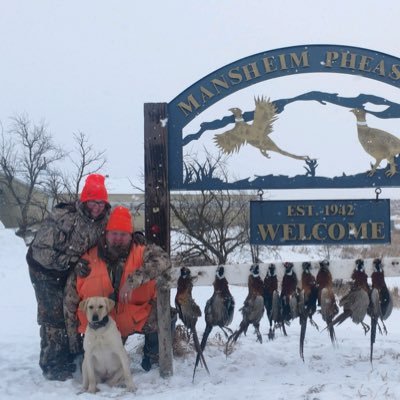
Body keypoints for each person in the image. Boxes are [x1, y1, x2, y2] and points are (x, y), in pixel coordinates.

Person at [64, 205, 175, 372]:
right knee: (101, 368)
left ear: (131, 236)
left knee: (168, 314)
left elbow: (164, 261)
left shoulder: (142, 251)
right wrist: (74, 347)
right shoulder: (86, 259)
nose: (118, 238)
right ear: (106, 234)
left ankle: (153, 356)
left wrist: (132, 281)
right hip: (98, 326)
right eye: (114, 233)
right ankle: (85, 355)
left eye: (123, 235)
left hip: (134, 317)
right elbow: (69, 303)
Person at [27, 174, 110, 381]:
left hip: (71, 271)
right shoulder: (64, 217)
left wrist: (133, 236)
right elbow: (40, 252)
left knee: (72, 311)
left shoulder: (104, 220)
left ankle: (73, 352)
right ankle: (53, 363)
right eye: (93, 201)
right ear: (84, 200)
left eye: (101, 202)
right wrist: (70, 261)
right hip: (45, 271)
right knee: (53, 317)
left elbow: (116, 233)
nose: (97, 207)